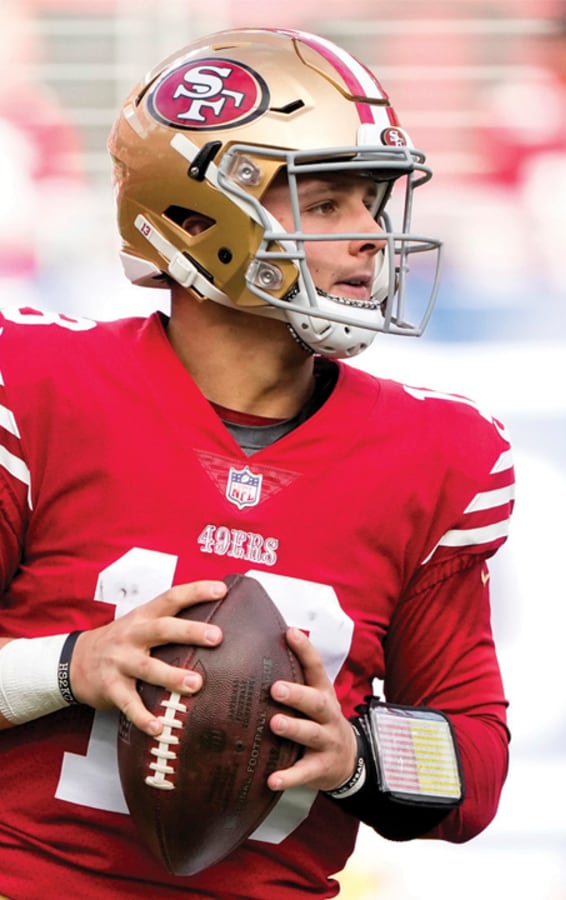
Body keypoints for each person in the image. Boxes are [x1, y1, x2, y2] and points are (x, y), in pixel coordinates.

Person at [0, 27, 515, 898]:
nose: (369, 239)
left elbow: (476, 764)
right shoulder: (38, 387)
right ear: (197, 218)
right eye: (326, 204)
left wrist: (355, 754)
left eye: (375, 204)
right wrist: (68, 666)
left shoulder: (440, 454)